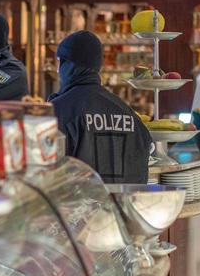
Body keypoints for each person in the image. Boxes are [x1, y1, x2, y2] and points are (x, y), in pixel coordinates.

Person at [49, 30, 152, 184]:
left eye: (60, 64)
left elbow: (48, 173)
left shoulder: (59, 110)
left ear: (66, 64)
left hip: (79, 206)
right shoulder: (128, 114)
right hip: (125, 206)